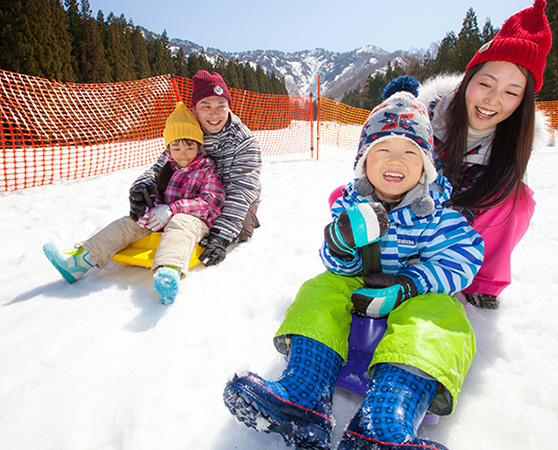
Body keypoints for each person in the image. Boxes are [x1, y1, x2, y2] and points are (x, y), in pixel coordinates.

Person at [222, 77, 484, 450]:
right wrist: (342, 241)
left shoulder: (438, 216)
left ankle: (384, 421)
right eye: (382, 151)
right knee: (321, 288)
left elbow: (464, 257)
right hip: (357, 288)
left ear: (426, 165)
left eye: (410, 152)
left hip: (411, 293)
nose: (396, 161)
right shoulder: (351, 205)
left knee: (442, 314)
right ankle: (303, 396)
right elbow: (336, 264)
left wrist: (411, 284)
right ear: (364, 161)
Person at [418, 0, 552, 309]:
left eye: (511, 92)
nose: (492, 100)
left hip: (459, 232)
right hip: (411, 220)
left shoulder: (512, 142)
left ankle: (480, 282)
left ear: (523, 101)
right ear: (468, 80)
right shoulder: (424, 116)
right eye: (486, 84)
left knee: (517, 201)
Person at [43, 102, 225, 304]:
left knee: (181, 221)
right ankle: (79, 262)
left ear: (199, 146)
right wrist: (150, 210)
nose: (183, 153)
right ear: (168, 149)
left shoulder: (207, 170)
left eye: (190, 146)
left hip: (194, 222)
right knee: (129, 223)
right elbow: (156, 193)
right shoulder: (166, 168)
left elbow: (210, 204)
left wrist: (173, 209)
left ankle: (169, 272)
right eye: (177, 147)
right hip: (162, 217)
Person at [130, 71, 262, 267]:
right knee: (149, 211)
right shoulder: (188, 130)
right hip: (191, 194)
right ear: (195, 110)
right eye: (206, 106)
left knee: (238, 230)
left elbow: (242, 191)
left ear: (228, 107)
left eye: (220, 106)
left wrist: (220, 236)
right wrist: (141, 188)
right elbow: (162, 165)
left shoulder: (244, 141)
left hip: (233, 200)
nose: (214, 113)